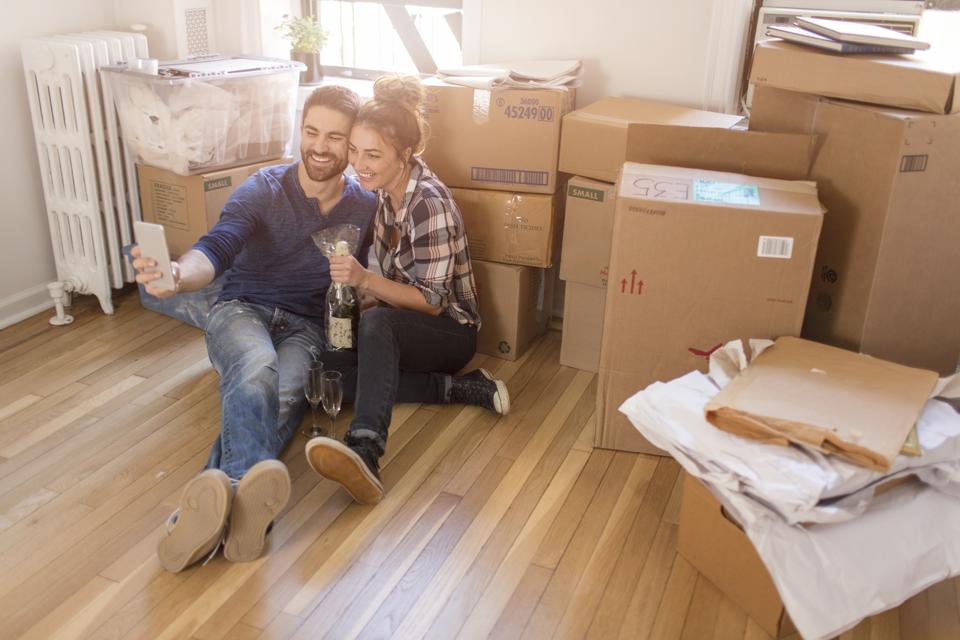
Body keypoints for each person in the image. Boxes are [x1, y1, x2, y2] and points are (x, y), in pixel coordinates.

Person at [132, 86, 376, 572]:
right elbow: (217, 247)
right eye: (310, 132)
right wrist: (178, 275)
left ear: (351, 145)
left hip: (308, 329)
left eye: (334, 137)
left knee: (282, 398)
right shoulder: (262, 187)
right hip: (242, 311)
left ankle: (203, 515)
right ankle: (247, 498)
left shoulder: (365, 206)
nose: (320, 147)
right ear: (299, 131)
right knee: (256, 368)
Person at [305, 75, 510, 506]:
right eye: (356, 152)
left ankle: (366, 449)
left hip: (450, 332)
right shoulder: (385, 193)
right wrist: (357, 295)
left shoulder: (428, 204)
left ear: (405, 153)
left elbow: (432, 305)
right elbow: (389, 277)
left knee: (378, 325)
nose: (359, 165)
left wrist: (364, 281)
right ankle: (459, 389)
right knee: (332, 368)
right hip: (405, 323)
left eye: (373, 155)